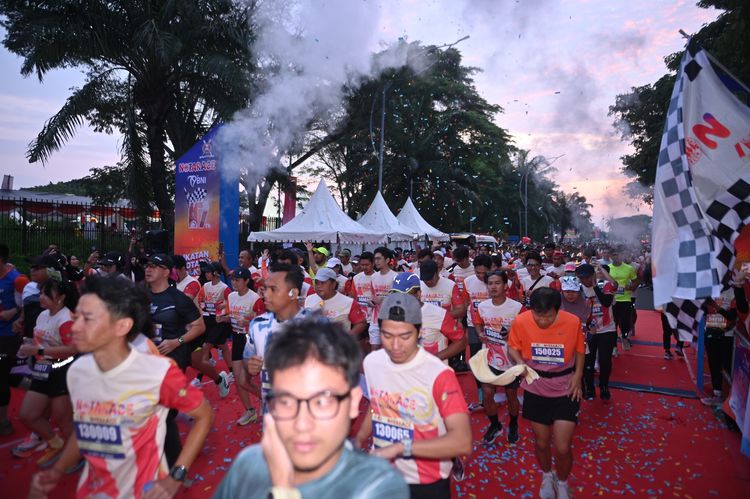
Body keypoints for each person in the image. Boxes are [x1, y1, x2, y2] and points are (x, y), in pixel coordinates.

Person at [28, 275, 213, 499]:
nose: (75, 327)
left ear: (122, 326)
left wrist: (177, 475)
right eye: (76, 317)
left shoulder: (156, 371)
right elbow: (86, 430)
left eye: (87, 319)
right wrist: (57, 471)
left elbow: (204, 414)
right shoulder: (78, 371)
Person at [216, 316, 409, 498]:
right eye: (288, 400)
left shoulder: (378, 485)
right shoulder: (247, 468)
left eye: (321, 402)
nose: (303, 422)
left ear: (352, 402)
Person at [356, 293, 472, 499]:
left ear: (419, 332)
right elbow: (377, 404)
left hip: (426, 480)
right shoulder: (372, 363)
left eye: (405, 336)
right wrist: (358, 441)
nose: (395, 346)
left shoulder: (439, 374)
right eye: (387, 336)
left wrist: (401, 448)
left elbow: (462, 441)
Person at [507, 288, 585, 499]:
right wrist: (520, 363)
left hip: (565, 388)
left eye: (548, 316)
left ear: (557, 310)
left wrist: (578, 376)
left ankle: (562, 482)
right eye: (537, 315)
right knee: (541, 443)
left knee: (562, 447)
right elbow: (512, 347)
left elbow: (580, 350)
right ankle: (547, 475)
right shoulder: (521, 321)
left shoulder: (572, 322)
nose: (542, 321)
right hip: (535, 387)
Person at [13, 278, 78, 468]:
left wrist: (38, 350)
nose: (41, 297)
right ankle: (56, 443)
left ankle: (77, 455)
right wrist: (30, 346)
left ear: (61, 297)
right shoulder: (42, 315)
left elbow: (72, 349)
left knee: (63, 418)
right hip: (43, 369)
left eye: (46, 294)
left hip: (62, 371)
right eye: (40, 293)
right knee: (28, 415)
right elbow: (40, 341)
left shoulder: (66, 319)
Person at [243, 263, 311, 407]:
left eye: (273, 289)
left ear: (293, 293)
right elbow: (248, 358)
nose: (266, 294)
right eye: (265, 288)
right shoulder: (257, 325)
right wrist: (251, 364)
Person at [472, 270, 525, 445]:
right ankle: (495, 425)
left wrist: (513, 333)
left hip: (510, 361)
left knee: (511, 395)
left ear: (505, 285)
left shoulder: (517, 308)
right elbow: (478, 323)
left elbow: (527, 329)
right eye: (490, 283)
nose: (493, 287)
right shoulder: (482, 306)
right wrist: (480, 333)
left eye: (497, 283)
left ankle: (514, 424)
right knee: (487, 395)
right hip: (489, 358)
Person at [389, 272, 465, 362]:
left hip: (434, 370)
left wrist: (434, 359)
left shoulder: (437, 314)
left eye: (406, 294)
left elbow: (461, 341)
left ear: (418, 294)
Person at [222, 267, 264, 425]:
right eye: (233, 280)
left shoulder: (255, 298)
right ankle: (250, 410)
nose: (234, 283)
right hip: (237, 339)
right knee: (239, 380)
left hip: (251, 341)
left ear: (246, 281)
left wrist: (247, 322)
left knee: (245, 380)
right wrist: (224, 318)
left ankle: (267, 399)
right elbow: (229, 315)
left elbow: (262, 321)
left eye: (237, 280)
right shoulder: (231, 296)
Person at [701, 268, 749, 406]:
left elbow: (736, 314)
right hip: (711, 332)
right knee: (714, 364)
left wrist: (717, 307)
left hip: (727, 336)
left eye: (724, 272)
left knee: (727, 367)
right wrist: (704, 303)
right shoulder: (710, 290)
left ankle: (729, 398)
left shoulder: (734, 291)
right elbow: (703, 311)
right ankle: (717, 394)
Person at [575, 263, 617, 400]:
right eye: (581, 278)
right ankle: (590, 387)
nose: (584, 281)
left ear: (593, 275)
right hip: (587, 332)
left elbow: (606, 302)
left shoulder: (605, 285)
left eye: (587, 277)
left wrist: (594, 286)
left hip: (607, 329)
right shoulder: (577, 289)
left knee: (605, 361)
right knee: (588, 362)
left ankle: (604, 386)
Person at [0, 243, 29, 435]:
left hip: (7, 337)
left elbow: (32, 301)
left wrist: (17, 314)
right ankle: (43, 388)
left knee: (1, 377)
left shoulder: (17, 280)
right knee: (8, 377)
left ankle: (3, 423)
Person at [196, 262, 233, 392]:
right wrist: (203, 307)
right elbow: (200, 300)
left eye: (208, 272)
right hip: (208, 320)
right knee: (223, 346)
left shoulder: (224, 288)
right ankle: (233, 371)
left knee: (206, 347)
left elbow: (231, 303)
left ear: (216, 273)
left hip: (219, 321)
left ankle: (198, 378)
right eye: (205, 272)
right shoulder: (205, 286)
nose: (205, 274)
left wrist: (224, 307)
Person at [305, 268, 367, 339]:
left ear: (333, 284)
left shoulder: (348, 302)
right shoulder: (309, 299)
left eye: (323, 282)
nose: (319, 286)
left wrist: (346, 338)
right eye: (317, 282)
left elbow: (361, 323)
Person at [608, 246, 639, 351]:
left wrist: (631, 287)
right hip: (612, 299)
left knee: (625, 322)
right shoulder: (608, 268)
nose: (616, 257)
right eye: (614, 255)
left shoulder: (629, 268)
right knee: (613, 323)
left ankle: (624, 336)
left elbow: (635, 281)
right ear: (611, 256)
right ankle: (614, 346)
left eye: (618, 254)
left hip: (625, 298)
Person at [368, 247, 397, 350]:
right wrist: (370, 302)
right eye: (375, 259)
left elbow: (398, 298)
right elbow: (372, 296)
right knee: (374, 352)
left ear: (387, 260)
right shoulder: (373, 277)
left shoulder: (395, 277)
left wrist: (383, 300)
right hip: (375, 320)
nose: (376, 261)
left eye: (379, 258)